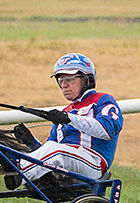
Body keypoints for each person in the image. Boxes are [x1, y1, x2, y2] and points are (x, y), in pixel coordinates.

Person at [5, 53, 124, 190]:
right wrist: (30, 141)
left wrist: (69, 119)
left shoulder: (102, 100)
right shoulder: (65, 111)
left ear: (87, 80)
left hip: (94, 164)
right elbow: (48, 155)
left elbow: (108, 130)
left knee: (56, 150)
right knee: (49, 149)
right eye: (61, 81)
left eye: (69, 80)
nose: (64, 86)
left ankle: (18, 173)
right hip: (66, 164)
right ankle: (16, 167)